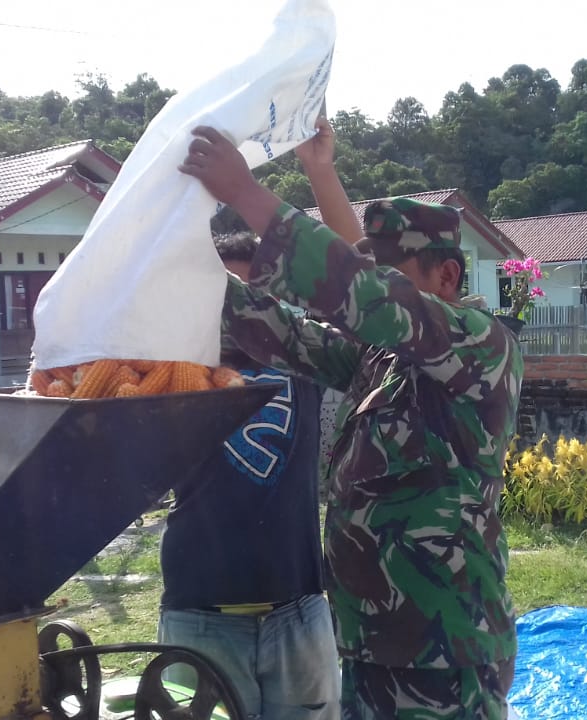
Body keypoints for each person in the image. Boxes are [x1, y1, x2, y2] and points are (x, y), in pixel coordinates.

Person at [180, 122, 524, 720]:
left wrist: (245, 193)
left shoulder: (480, 345)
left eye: (392, 271)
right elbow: (290, 335)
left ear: (446, 276)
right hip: (370, 639)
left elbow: (360, 290)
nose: (375, 280)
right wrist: (186, 271)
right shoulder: (383, 356)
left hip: (443, 650)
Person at [156, 231, 339, 719]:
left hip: (298, 609)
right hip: (199, 614)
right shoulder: (172, 371)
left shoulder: (305, 362)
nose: (239, 312)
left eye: (255, 296)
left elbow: (358, 283)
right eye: (225, 295)